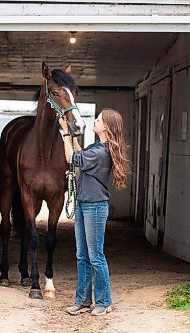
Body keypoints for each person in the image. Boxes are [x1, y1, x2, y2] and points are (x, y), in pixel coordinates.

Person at [58, 108, 129, 316]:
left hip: (94, 207)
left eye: (97, 120)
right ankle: (83, 300)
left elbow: (73, 159)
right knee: (82, 255)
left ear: (106, 127)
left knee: (95, 256)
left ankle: (104, 301)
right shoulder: (98, 147)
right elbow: (80, 155)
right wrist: (74, 135)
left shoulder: (101, 152)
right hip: (83, 204)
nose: (94, 121)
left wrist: (64, 133)